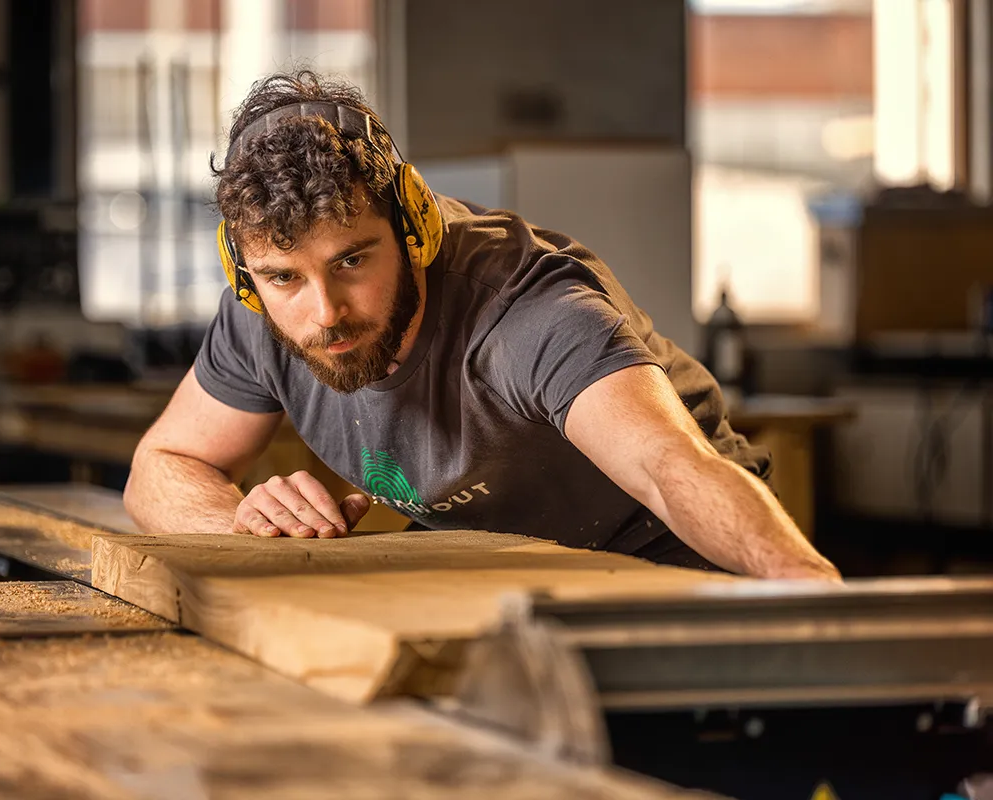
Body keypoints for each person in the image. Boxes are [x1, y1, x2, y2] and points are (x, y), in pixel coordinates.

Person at [123, 70, 840, 581]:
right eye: (284, 278)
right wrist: (245, 522)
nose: (323, 312)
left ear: (415, 227)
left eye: (352, 261)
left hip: (671, 560)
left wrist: (810, 592)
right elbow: (160, 468)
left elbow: (668, 467)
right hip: (497, 575)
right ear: (244, 274)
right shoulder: (262, 312)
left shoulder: (526, 311)